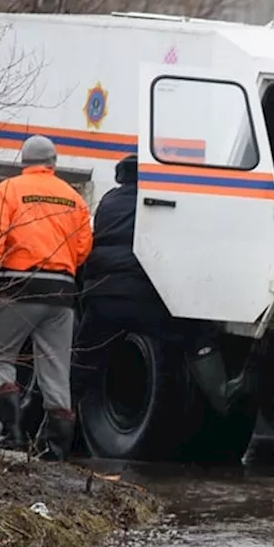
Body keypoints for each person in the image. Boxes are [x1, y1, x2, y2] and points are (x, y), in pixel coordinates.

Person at [72, 153, 242, 415]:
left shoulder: (108, 201)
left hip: (102, 296)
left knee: (83, 360)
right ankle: (223, 396)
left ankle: (51, 423)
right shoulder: (162, 202)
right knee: (197, 333)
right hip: (142, 297)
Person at [0, 134, 92, 459]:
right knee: (55, 368)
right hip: (61, 291)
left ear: (23, 162)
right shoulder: (73, 198)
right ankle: (56, 448)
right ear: (53, 163)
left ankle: (13, 436)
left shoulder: (8, 190)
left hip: (18, 287)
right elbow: (83, 248)